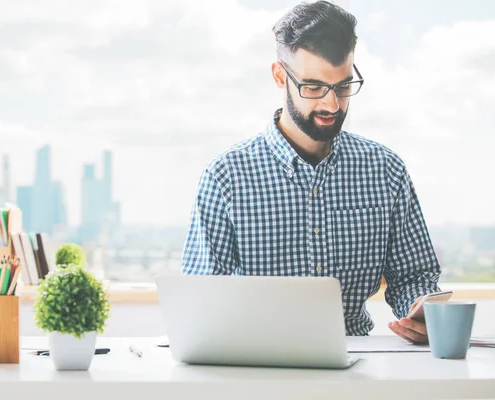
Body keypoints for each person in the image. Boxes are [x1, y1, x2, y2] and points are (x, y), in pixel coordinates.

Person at [181, 0, 441, 343]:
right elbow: (201, 299)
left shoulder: (385, 170)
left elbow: (414, 276)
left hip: (359, 361)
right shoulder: (226, 177)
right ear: (279, 76)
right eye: (314, 87)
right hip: (258, 362)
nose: (331, 105)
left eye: (343, 86)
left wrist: (422, 310)